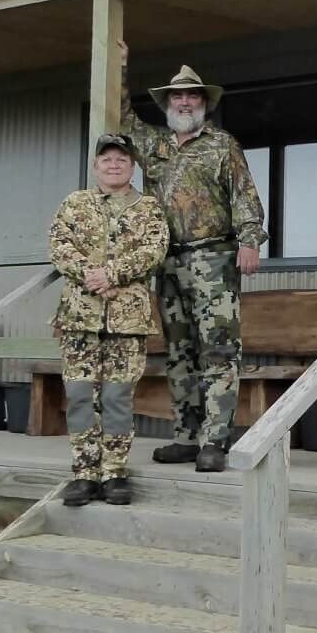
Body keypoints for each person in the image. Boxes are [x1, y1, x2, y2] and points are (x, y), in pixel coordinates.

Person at [119, 55, 264, 472]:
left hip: (215, 257)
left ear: (203, 103)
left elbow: (244, 196)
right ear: (169, 103)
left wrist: (249, 240)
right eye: (177, 96)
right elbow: (122, 115)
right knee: (180, 352)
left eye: (191, 96)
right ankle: (185, 436)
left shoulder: (222, 145)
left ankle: (215, 441)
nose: (184, 102)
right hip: (167, 261)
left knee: (218, 350)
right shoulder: (153, 145)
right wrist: (122, 65)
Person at [47, 132, 168, 506]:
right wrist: (91, 275)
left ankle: (114, 472)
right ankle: (84, 473)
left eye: (121, 159)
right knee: (81, 395)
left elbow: (156, 248)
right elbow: (58, 244)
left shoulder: (148, 208)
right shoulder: (75, 203)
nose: (113, 165)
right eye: (106, 159)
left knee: (117, 397)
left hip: (127, 319)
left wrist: (112, 275)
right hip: (80, 317)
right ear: (96, 165)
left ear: (132, 166)